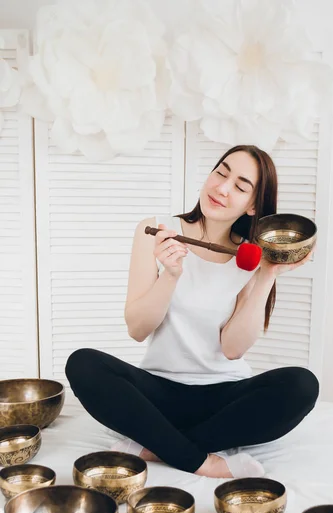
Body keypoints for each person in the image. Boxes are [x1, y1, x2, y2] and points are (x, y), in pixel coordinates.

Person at [65, 144, 319, 479]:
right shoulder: (155, 229)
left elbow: (232, 349)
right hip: (158, 391)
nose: (222, 188)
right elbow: (137, 329)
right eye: (221, 172)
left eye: (241, 186)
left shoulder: (251, 257)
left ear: (253, 204)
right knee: (83, 363)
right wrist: (170, 275)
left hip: (222, 396)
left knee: (301, 385)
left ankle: (159, 446)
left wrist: (267, 275)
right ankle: (201, 460)